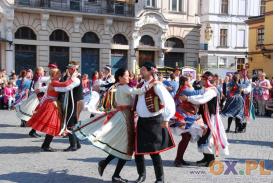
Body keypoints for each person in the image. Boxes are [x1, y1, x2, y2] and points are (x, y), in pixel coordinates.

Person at [74, 68, 157, 183]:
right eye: (127, 76)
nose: (129, 77)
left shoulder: (119, 85)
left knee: (123, 147)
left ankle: (108, 167)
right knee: (125, 147)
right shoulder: (124, 87)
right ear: (120, 77)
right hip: (124, 118)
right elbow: (140, 91)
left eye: (129, 75)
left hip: (123, 116)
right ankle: (112, 172)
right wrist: (153, 82)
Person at [134, 62, 175, 183]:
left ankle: (160, 179)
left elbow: (169, 101)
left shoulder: (157, 85)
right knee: (138, 151)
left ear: (149, 71)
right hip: (141, 121)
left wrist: (167, 118)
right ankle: (141, 176)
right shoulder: (141, 84)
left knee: (154, 152)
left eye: (142, 69)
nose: (140, 71)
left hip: (153, 122)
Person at [182, 71, 229, 167]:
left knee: (207, 137)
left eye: (203, 79)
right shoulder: (206, 89)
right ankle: (206, 158)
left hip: (210, 118)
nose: (201, 81)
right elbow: (199, 96)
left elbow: (202, 99)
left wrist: (188, 99)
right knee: (202, 136)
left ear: (208, 80)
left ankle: (210, 160)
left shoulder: (212, 90)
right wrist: (189, 97)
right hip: (205, 116)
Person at [27, 68, 80, 151]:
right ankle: (46, 145)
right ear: (54, 75)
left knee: (53, 125)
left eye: (59, 73)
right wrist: (73, 78)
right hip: (51, 105)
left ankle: (45, 144)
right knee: (53, 125)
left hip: (51, 103)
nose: (60, 75)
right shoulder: (55, 82)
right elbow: (65, 85)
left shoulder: (54, 82)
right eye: (58, 73)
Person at [171, 76, 207, 167]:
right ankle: (178, 160)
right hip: (183, 117)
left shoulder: (182, 88)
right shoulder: (185, 89)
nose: (190, 81)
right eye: (189, 80)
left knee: (186, 137)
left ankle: (179, 159)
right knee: (186, 138)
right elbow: (196, 92)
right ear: (185, 81)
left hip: (184, 115)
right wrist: (205, 87)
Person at [16, 66, 51, 137]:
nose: (44, 72)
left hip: (38, 98)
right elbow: (38, 89)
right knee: (38, 116)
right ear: (39, 72)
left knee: (38, 116)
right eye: (42, 71)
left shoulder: (37, 78)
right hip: (38, 99)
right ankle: (33, 131)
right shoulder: (38, 79)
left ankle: (33, 130)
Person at [59, 61, 84, 152]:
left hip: (76, 102)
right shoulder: (68, 76)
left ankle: (73, 145)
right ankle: (77, 144)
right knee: (71, 123)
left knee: (70, 123)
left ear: (73, 68)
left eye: (69, 68)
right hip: (71, 102)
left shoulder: (77, 77)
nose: (68, 69)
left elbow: (66, 86)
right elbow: (63, 81)